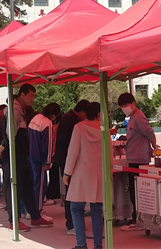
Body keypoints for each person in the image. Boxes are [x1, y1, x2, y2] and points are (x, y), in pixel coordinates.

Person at [0, 85, 54, 230]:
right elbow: (10, 135)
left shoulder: (21, 110)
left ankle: (35, 216)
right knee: (15, 188)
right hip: (14, 156)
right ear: (22, 95)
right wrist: (2, 147)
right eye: (31, 95)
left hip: (22, 156)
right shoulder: (15, 111)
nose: (33, 99)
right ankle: (14, 221)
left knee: (27, 187)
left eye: (34, 95)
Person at [63, 101, 104, 249]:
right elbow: (109, 154)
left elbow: (72, 152)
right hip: (99, 174)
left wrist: (67, 173)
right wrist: (109, 172)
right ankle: (98, 245)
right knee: (97, 210)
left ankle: (81, 244)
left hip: (81, 174)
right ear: (99, 114)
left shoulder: (79, 127)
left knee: (76, 208)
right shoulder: (104, 130)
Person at [117, 92, 157, 231]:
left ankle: (138, 219)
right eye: (122, 106)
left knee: (137, 191)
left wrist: (153, 147)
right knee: (134, 190)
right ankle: (137, 217)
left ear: (133, 103)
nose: (124, 108)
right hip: (133, 158)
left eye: (126, 105)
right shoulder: (132, 118)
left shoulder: (139, 116)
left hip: (139, 160)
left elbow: (150, 133)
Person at [54, 99, 89, 234]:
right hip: (67, 161)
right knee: (71, 193)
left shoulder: (70, 118)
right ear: (82, 112)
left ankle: (73, 223)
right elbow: (67, 142)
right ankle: (71, 224)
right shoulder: (69, 120)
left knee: (72, 192)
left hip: (68, 160)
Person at [28, 102, 61, 214]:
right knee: (40, 185)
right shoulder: (47, 123)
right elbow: (48, 144)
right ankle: (37, 210)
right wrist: (48, 161)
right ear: (54, 114)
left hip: (30, 155)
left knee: (31, 184)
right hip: (39, 158)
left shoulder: (35, 118)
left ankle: (28, 209)